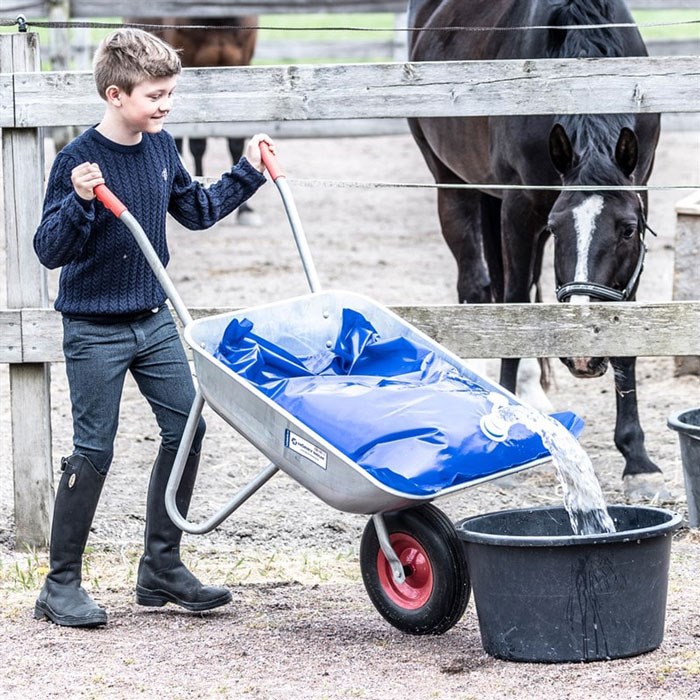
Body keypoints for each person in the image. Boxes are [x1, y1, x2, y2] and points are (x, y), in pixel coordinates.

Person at [32, 27, 273, 627]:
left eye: (170, 93)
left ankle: (161, 568)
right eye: (155, 95)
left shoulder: (161, 149)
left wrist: (247, 172)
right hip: (94, 329)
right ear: (116, 95)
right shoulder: (78, 161)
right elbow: (48, 249)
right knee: (94, 448)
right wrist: (81, 201)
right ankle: (60, 584)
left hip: (154, 318)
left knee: (187, 424)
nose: (166, 105)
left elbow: (194, 210)